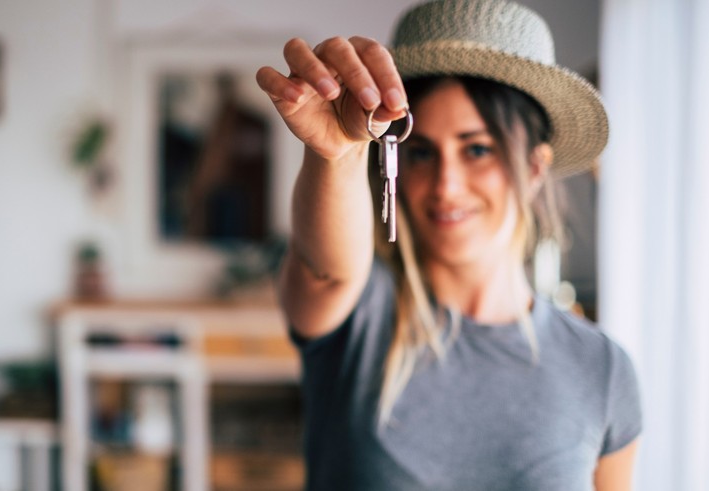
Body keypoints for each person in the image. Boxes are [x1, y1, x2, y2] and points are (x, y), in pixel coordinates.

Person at [255, 0, 642, 490]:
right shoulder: (363, 315)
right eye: (421, 152)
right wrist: (334, 155)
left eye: (477, 149)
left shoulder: (602, 369)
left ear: (535, 168)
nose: (446, 186)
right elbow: (324, 271)